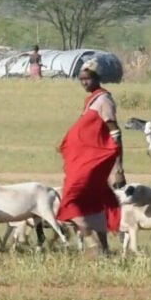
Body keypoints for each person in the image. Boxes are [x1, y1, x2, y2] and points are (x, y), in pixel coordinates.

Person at [56, 58, 125, 254]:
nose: (84, 82)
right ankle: (104, 249)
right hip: (84, 160)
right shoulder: (92, 100)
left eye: (87, 78)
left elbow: (115, 131)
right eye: (81, 79)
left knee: (69, 200)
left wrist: (118, 166)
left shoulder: (104, 100)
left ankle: (91, 244)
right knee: (92, 201)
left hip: (93, 162)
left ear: (97, 78)